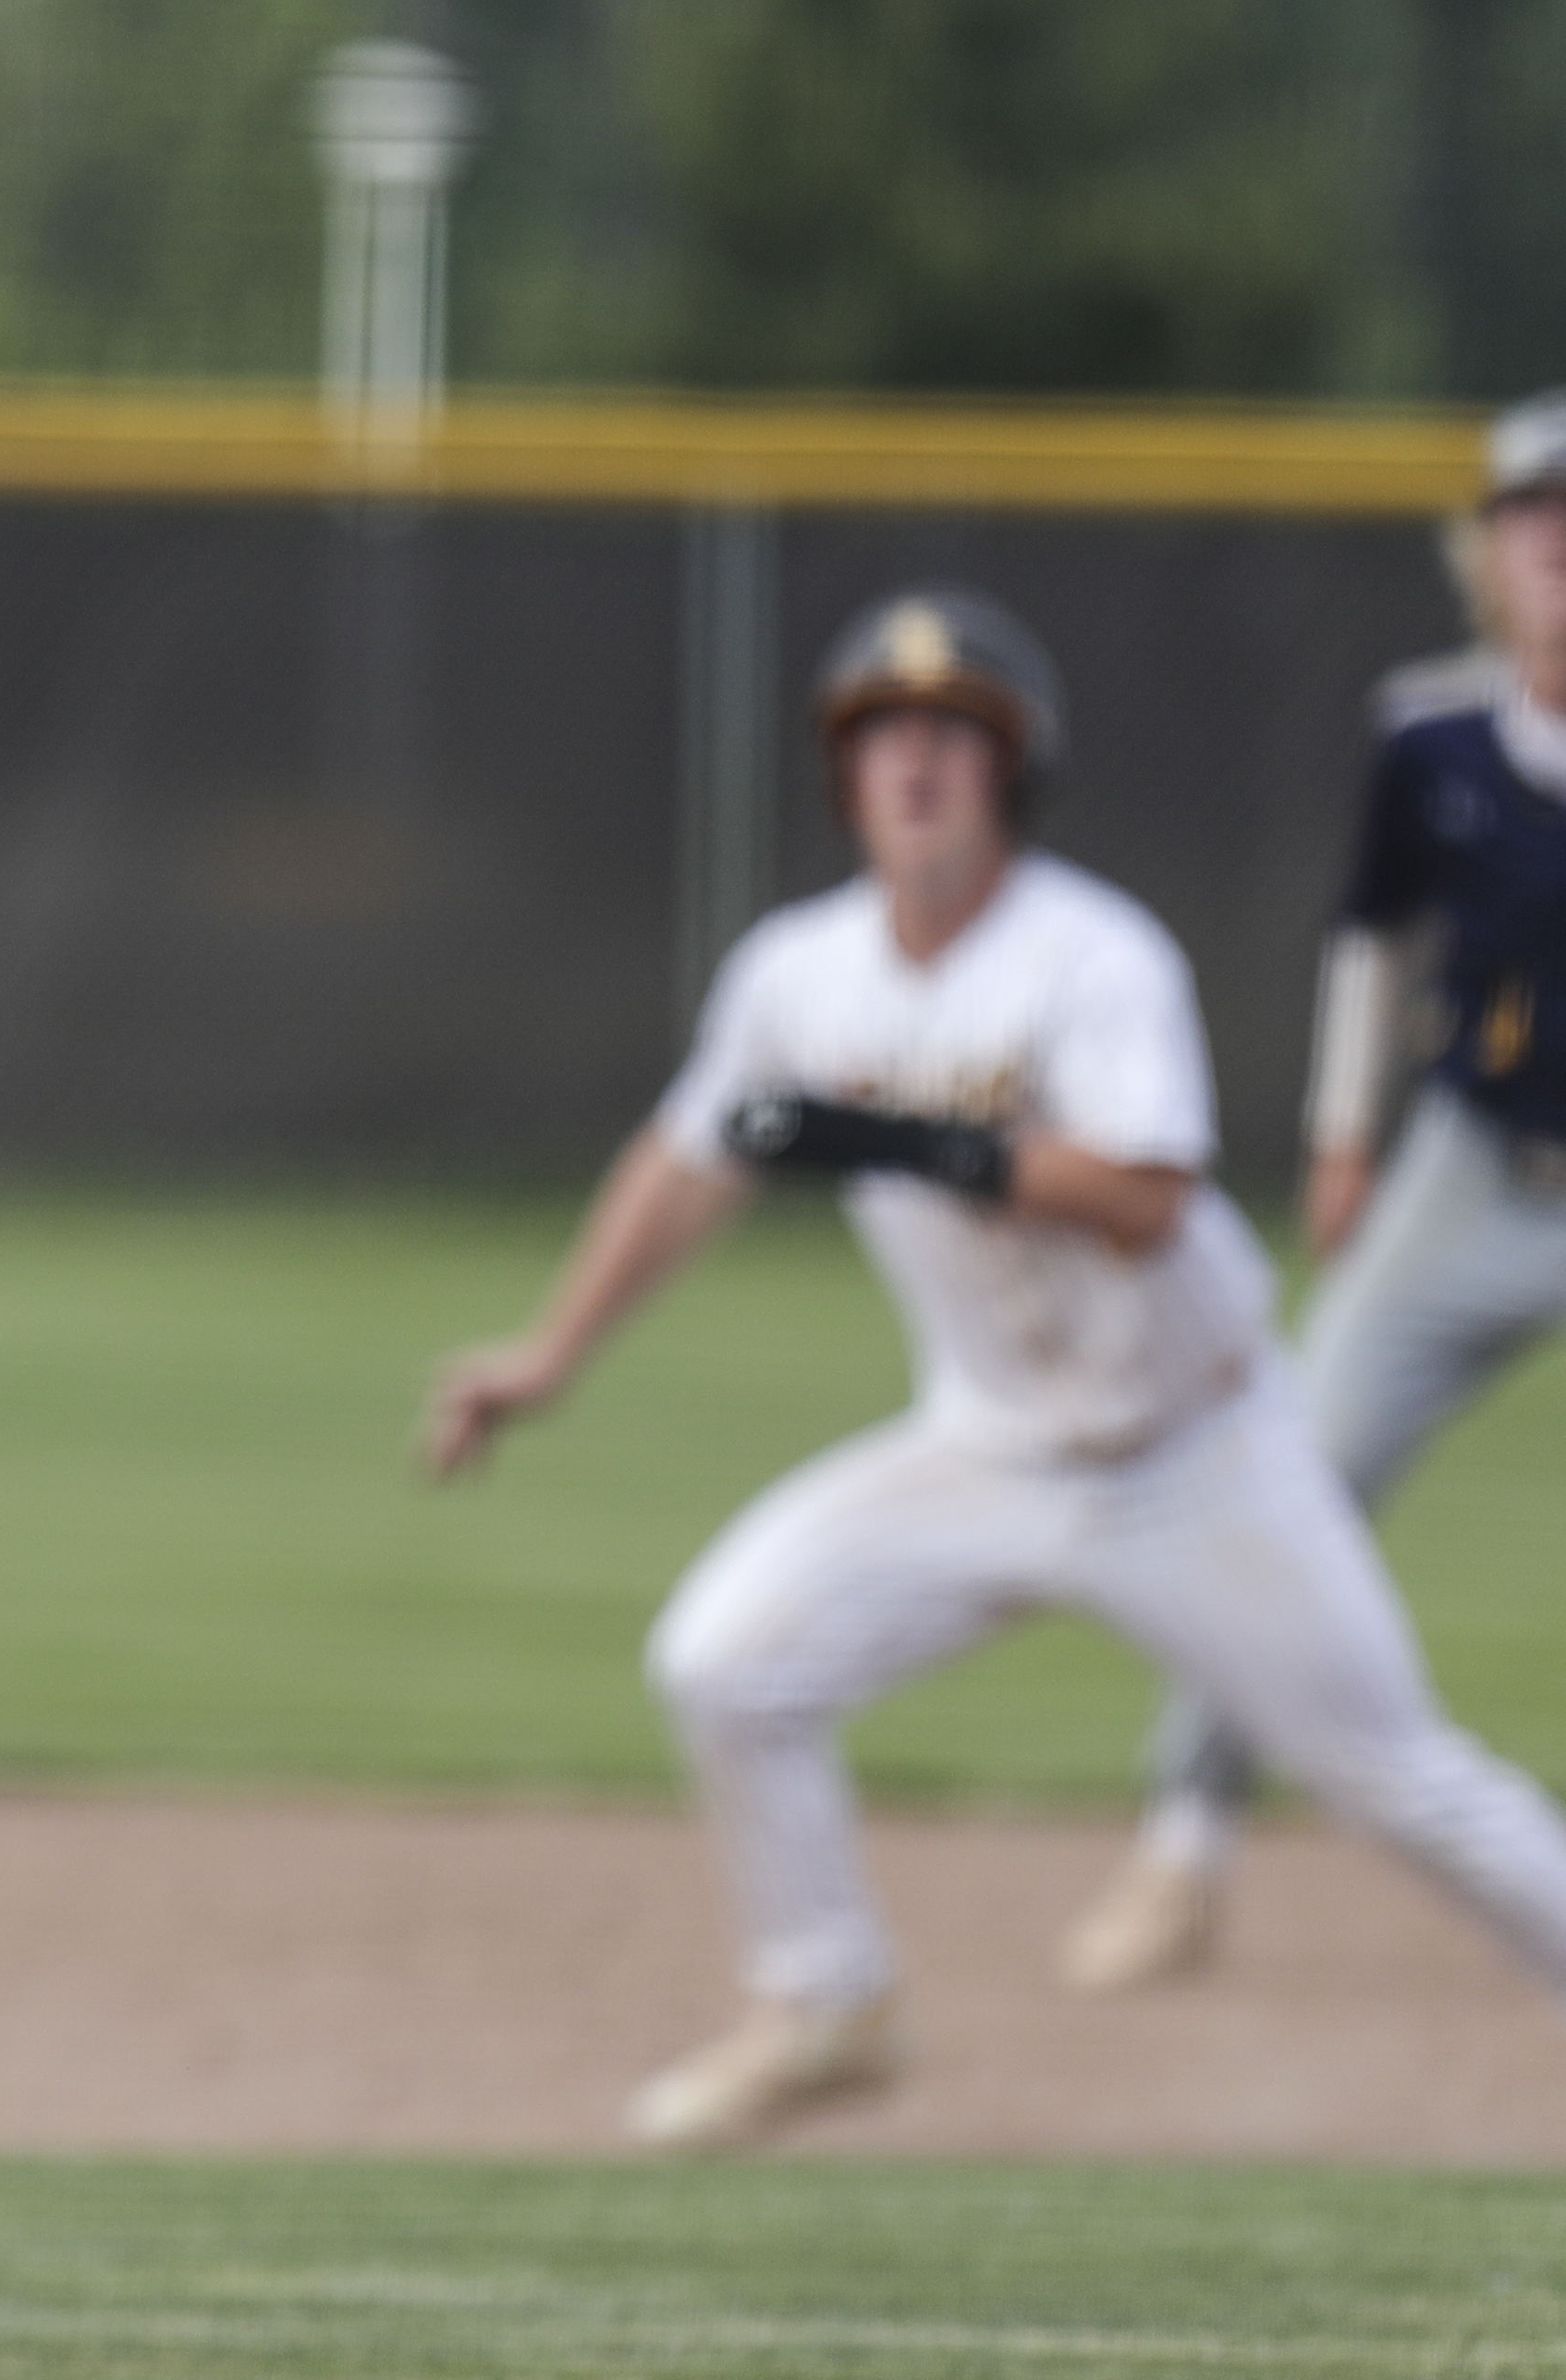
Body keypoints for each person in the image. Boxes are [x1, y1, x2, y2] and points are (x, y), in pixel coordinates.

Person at [418, 586, 1566, 2150]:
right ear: (841, 776)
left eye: (953, 735)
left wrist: (904, 1139)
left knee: (1404, 1785)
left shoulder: (1091, 957)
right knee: (726, 1664)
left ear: (1009, 772)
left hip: (1197, 1461)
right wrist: (548, 1356)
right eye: (881, 734)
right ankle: (829, 2003)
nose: (914, 764)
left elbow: (1149, 1199)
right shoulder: (795, 974)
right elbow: (686, 1163)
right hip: (986, 1452)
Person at [1054, 393, 1566, 1990]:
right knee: (1284, 1479)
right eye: (1531, 518)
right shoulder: (1432, 733)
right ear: (1484, 552)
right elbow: (1369, 932)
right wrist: (1341, 1136)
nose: (1555, 547)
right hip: (1472, 1175)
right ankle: (1184, 1845)